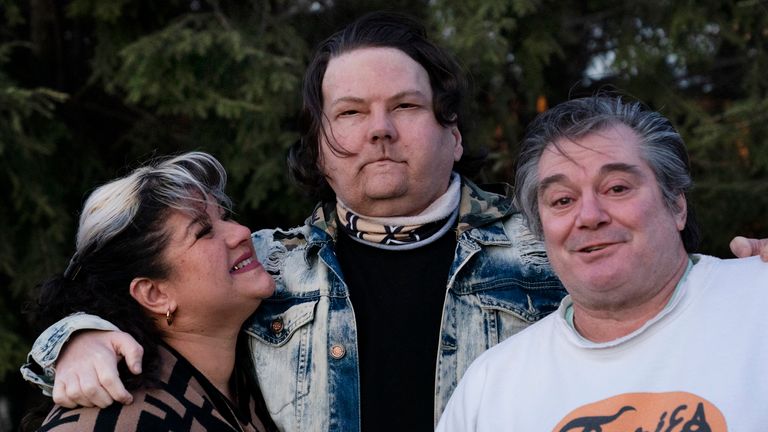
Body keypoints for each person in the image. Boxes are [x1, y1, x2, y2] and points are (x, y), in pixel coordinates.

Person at [21, 13, 768, 432]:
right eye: (349, 113)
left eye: (405, 107)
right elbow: (144, 293)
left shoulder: (555, 242)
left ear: (454, 134)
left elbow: (668, 283)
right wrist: (73, 337)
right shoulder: (261, 268)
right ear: (320, 145)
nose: (379, 130)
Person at [436, 96, 768, 431]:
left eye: (617, 188)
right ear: (540, 231)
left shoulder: (759, 303)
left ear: (677, 206)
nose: (590, 216)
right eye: (563, 200)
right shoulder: (490, 387)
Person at [21, 152, 277, 431]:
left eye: (225, 217)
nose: (241, 232)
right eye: (203, 232)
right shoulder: (112, 418)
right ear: (154, 294)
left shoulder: (255, 376)